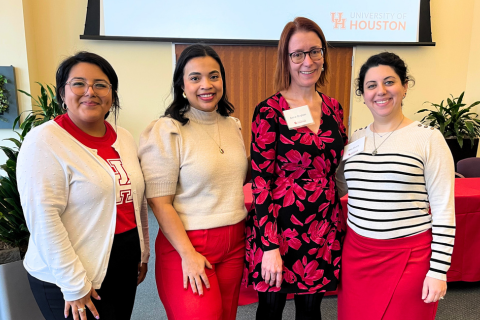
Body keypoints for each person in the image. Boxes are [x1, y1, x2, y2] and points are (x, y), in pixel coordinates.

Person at [17, 51, 150, 320]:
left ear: (112, 94)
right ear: (62, 93)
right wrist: (74, 283)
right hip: (67, 272)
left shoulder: (122, 137)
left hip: (121, 260)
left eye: (100, 84)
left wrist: (142, 251)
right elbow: (43, 220)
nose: (90, 91)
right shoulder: (44, 141)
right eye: (78, 83)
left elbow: (136, 199)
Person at [336, 52, 455, 320]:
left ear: (404, 86)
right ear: (363, 93)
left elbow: (444, 211)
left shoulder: (428, 139)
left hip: (409, 259)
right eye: (371, 85)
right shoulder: (355, 139)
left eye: (389, 82)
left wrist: (438, 272)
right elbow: (339, 188)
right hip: (356, 257)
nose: (381, 91)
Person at [244, 17, 348, 320]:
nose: (308, 61)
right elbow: (261, 182)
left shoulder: (334, 108)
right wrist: (269, 246)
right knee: (271, 307)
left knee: (310, 309)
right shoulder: (269, 111)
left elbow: (335, 169)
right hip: (279, 228)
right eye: (298, 54)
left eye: (315, 51)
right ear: (286, 60)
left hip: (322, 226)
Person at [138, 44, 248, 320]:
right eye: (195, 77)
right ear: (182, 84)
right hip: (187, 243)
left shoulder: (232, 125)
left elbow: (234, 179)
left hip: (235, 241)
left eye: (214, 76)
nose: (206, 85)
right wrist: (187, 253)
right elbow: (159, 202)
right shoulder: (168, 129)